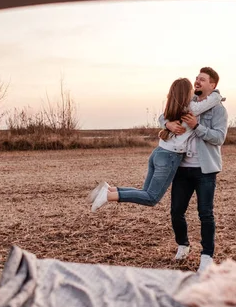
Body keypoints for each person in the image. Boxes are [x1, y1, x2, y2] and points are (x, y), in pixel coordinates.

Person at [88, 77, 224, 213]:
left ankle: (110, 189)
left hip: (158, 152)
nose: (193, 91)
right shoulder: (191, 109)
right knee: (151, 197)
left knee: (145, 191)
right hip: (169, 157)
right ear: (187, 93)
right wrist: (217, 94)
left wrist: (167, 123)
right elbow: (211, 101)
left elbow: (161, 117)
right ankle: (107, 196)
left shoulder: (172, 107)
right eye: (191, 90)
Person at [162, 67, 228, 273]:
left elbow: (219, 138)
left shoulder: (218, 110)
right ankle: (183, 245)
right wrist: (168, 124)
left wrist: (197, 126)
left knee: (205, 214)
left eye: (202, 79)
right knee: (176, 211)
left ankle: (207, 256)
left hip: (205, 170)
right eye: (196, 79)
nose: (197, 82)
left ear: (213, 85)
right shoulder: (186, 104)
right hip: (182, 168)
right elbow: (163, 115)